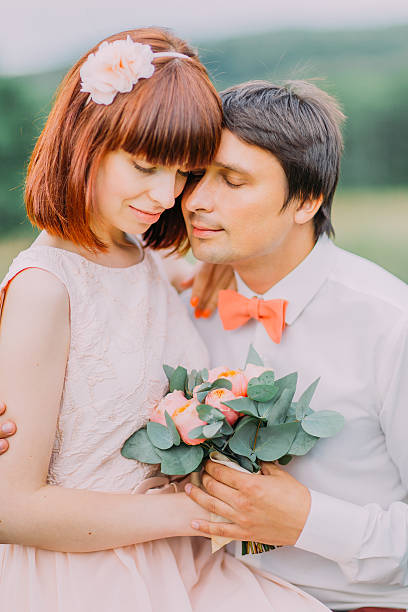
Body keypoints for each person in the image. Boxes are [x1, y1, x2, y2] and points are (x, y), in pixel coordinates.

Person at [0, 28, 329, 612]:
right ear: (84, 141)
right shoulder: (46, 290)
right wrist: (196, 510)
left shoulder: (147, 256)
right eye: (146, 165)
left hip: (179, 558)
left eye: (184, 173)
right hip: (90, 574)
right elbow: (10, 509)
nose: (167, 194)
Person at [178, 81, 408, 612]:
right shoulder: (183, 304)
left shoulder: (389, 326)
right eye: (195, 176)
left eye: (233, 181)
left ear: (306, 200)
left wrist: (311, 522)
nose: (196, 201)